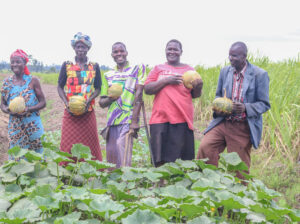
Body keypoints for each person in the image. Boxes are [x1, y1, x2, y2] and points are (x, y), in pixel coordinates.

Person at [197, 42, 270, 178]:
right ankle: (207, 183)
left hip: (242, 126)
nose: (231, 58)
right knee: (206, 148)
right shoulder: (225, 71)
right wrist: (219, 108)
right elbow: (219, 95)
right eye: (230, 55)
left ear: (244, 56)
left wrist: (245, 108)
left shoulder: (259, 74)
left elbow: (264, 104)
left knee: (238, 166)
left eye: (235, 56)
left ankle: (239, 195)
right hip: (223, 122)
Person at [144, 39, 203, 167]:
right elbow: (147, 89)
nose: (172, 52)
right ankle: (160, 181)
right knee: (159, 156)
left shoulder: (190, 70)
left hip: (181, 117)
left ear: (181, 52)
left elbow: (195, 95)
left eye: (175, 49)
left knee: (179, 156)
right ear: (165, 51)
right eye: (169, 49)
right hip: (160, 117)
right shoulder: (158, 68)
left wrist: (199, 86)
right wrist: (166, 81)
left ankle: (176, 182)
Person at [99, 42, 146, 168]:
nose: (119, 54)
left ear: (126, 52)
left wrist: (135, 121)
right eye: (116, 52)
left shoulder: (137, 69)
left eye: (121, 51)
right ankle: (114, 183)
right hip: (112, 120)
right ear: (112, 55)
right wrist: (111, 98)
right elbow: (101, 103)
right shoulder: (107, 75)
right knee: (112, 156)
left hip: (128, 118)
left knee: (122, 148)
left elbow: (139, 94)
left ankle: (126, 183)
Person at [57, 32, 102, 162]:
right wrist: (67, 103)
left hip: (87, 111)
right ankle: (67, 170)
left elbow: (98, 88)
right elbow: (60, 86)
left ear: (88, 48)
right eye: (78, 47)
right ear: (74, 48)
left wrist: (90, 99)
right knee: (67, 143)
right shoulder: (67, 65)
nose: (81, 50)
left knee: (90, 143)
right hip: (70, 112)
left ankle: (90, 170)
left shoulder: (94, 66)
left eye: (83, 47)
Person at [1, 49, 46, 158]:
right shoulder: (6, 82)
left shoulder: (33, 80)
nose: (14, 64)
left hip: (33, 125)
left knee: (37, 154)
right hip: (15, 126)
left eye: (18, 62)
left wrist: (28, 109)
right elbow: (2, 104)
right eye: (12, 62)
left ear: (25, 63)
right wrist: (7, 109)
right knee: (17, 155)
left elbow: (43, 102)